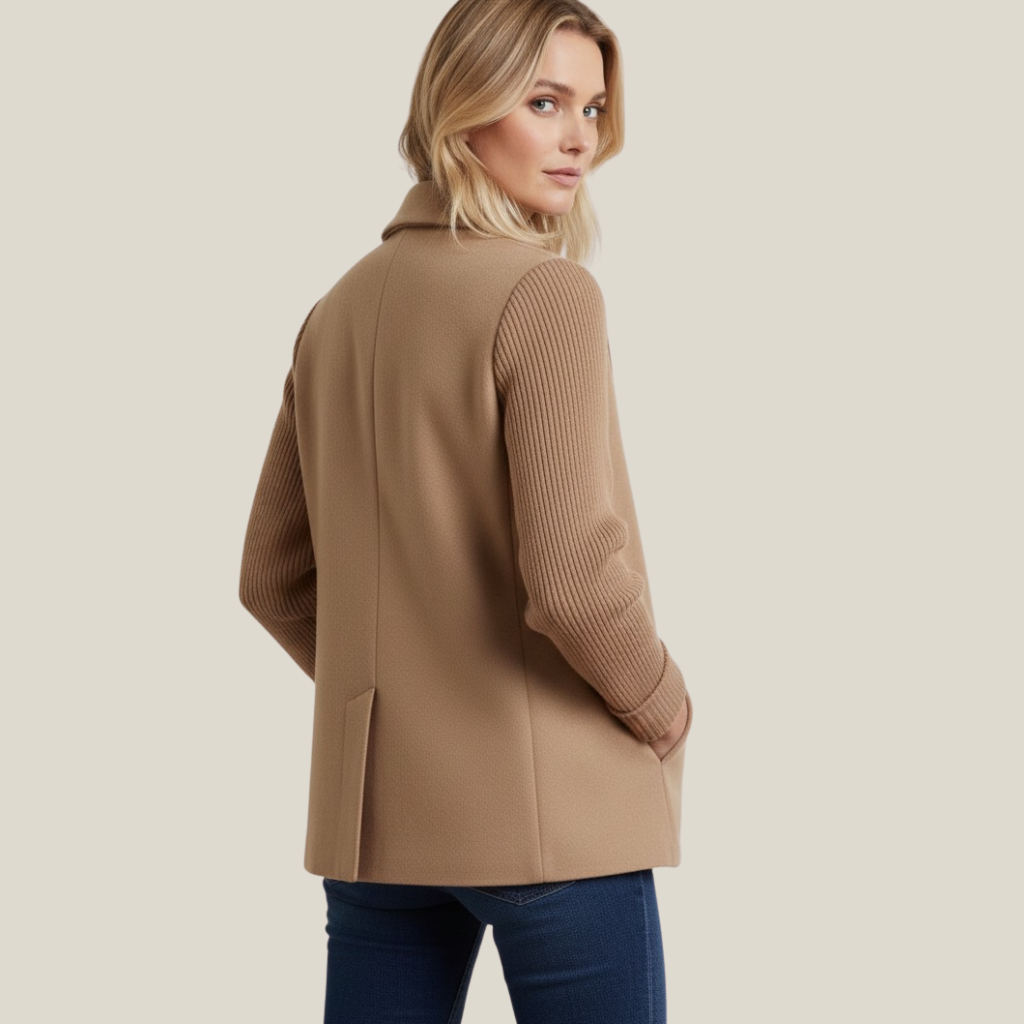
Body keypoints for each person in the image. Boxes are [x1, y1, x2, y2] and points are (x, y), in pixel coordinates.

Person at [238, 0, 694, 1020]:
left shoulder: (334, 313)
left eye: (592, 107)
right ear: (460, 106)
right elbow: (574, 583)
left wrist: (412, 694)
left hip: (377, 822)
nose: (580, 138)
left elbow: (271, 579)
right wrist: (662, 703)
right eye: (544, 102)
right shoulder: (546, 295)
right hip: (554, 818)